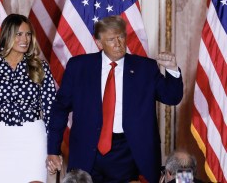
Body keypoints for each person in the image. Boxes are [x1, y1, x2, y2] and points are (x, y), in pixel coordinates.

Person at [46, 15, 183, 182]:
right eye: (111, 39)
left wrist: (172, 70)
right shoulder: (79, 67)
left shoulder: (145, 68)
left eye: (121, 37)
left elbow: (172, 97)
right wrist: (53, 150)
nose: (118, 43)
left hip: (128, 152)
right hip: (87, 151)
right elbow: (60, 109)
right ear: (99, 43)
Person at [0, 14, 56, 183]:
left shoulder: (40, 68)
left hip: (34, 137)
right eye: (19, 34)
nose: (25, 39)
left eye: (28, 34)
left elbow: (51, 113)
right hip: (1, 139)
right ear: (7, 35)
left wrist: (53, 150)